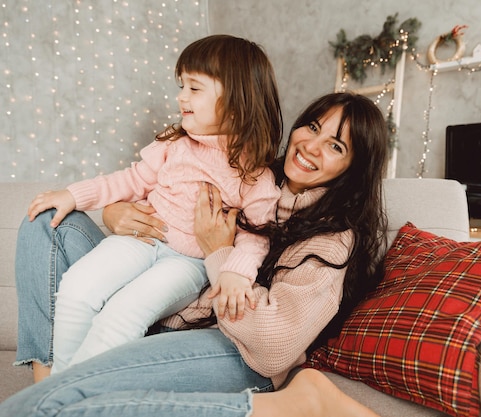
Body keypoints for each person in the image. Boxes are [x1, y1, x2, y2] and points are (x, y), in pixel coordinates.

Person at [4, 92, 388, 417]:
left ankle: (52, 400)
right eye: (313, 127)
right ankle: (49, 384)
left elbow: (276, 346)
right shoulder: (250, 171)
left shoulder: (332, 238)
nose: (311, 146)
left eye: (336, 147)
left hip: (232, 344)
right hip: (160, 303)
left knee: (66, 399)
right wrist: (116, 212)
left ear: (353, 169)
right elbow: (157, 189)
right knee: (47, 223)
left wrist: (219, 251)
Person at [24, 34, 283, 374]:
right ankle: (59, 392)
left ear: (236, 100)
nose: (181, 97)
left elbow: (256, 236)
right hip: (141, 240)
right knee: (76, 288)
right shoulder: (173, 145)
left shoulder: (254, 176)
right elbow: (129, 181)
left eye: (194, 88)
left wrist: (236, 273)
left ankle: (72, 398)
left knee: (123, 313)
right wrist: (74, 194)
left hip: (187, 264)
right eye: (181, 86)